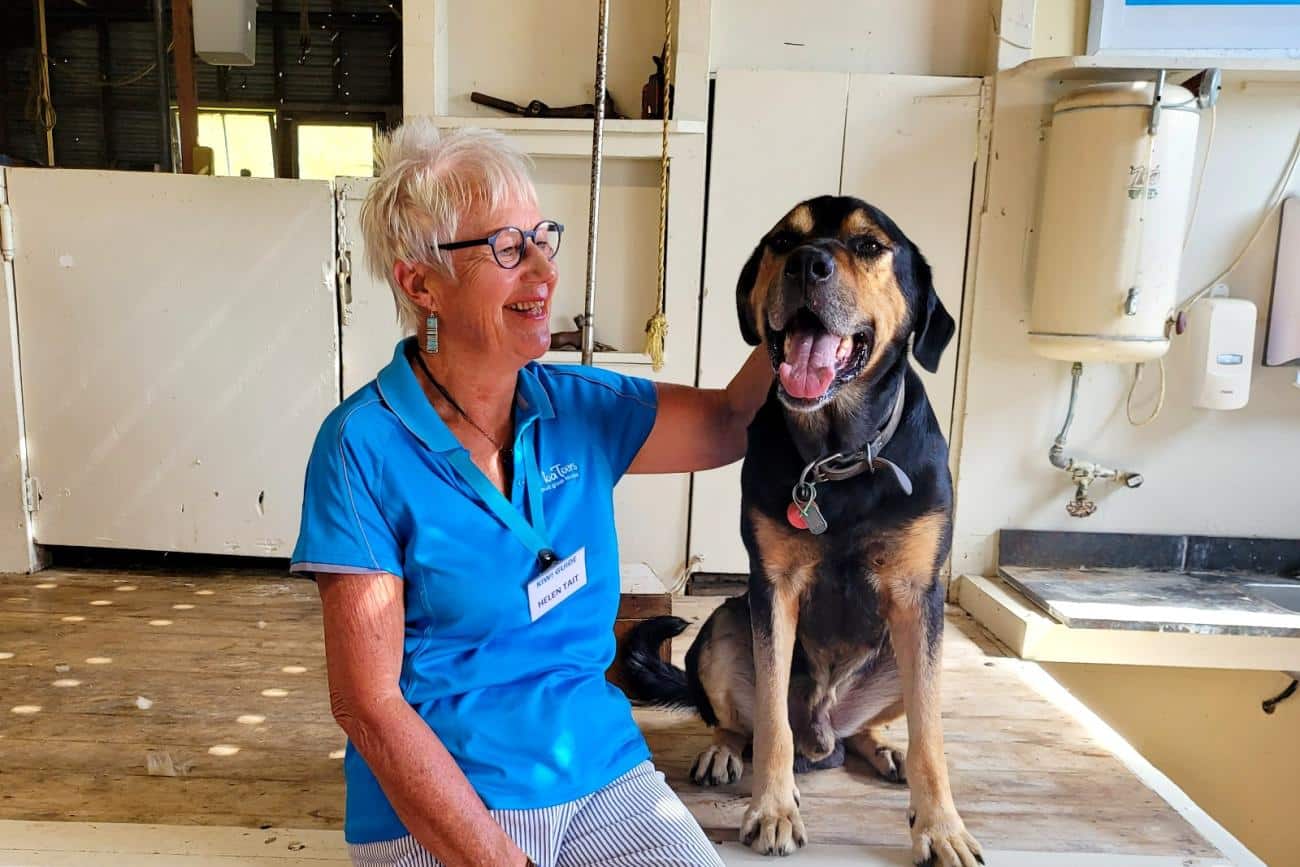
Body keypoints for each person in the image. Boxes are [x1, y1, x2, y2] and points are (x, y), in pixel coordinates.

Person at [290, 118, 772, 867]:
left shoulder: (579, 409)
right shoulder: (362, 446)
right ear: (421, 282)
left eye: (543, 239)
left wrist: (802, 314)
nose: (544, 272)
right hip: (438, 800)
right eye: (508, 249)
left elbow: (729, 421)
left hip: (597, 770)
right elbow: (368, 704)